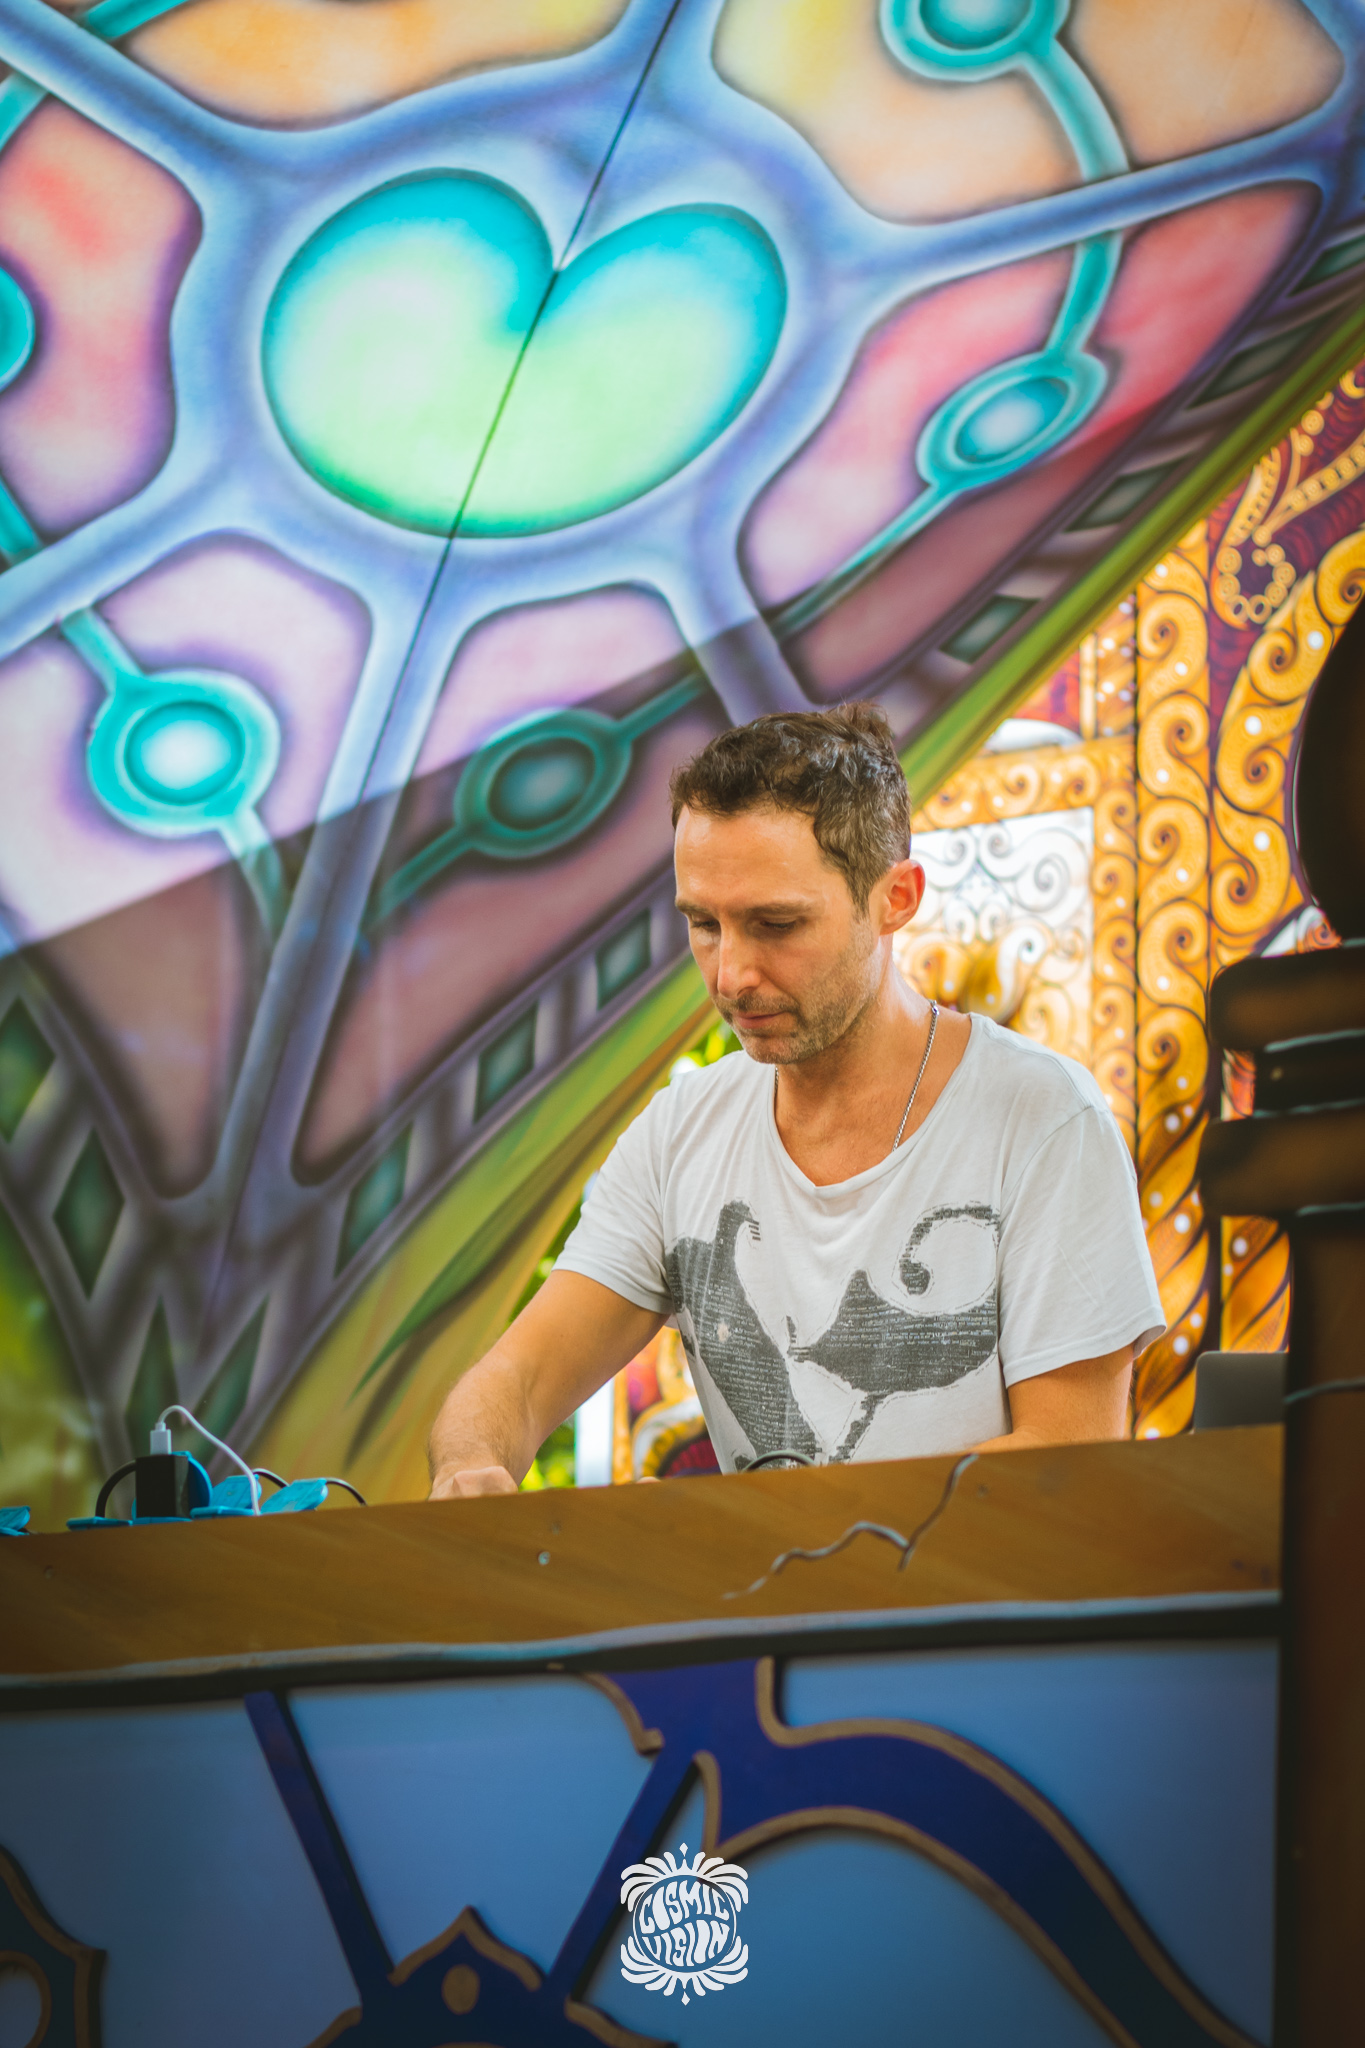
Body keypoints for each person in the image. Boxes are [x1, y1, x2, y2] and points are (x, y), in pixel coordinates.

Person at [428, 704, 1163, 1498]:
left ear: (895, 898)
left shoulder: (1044, 1121)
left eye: (775, 924)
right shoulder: (679, 1133)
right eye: (703, 924)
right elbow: (517, 1379)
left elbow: (1065, 1462)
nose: (730, 974)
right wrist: (471, 1465)